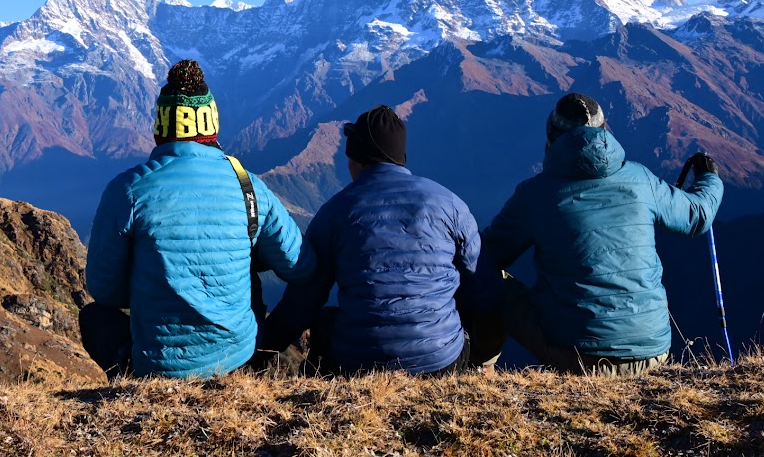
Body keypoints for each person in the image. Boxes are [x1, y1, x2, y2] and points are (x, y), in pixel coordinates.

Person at [82, 59, 314, 378]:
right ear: (211, 126)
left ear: (160, 128)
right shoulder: (247, 186)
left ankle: (127, 383)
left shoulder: (127, 191)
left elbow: (104, 290)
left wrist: (155, 287)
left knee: (95, 318)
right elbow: (301, 267)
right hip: (237, 356)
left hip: (157, 367)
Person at [472, 92, 723, 376]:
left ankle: (477, 371)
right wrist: (708, 177)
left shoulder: (535, 194)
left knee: (494, 283)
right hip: (653, 350)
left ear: (551, 138)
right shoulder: (642, 180)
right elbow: (698, 216)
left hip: (578, 356)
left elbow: (484, 257)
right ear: (605, 133)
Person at [261, 105, 482, 375]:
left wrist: (260, 350)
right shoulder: (450, 203)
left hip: (360, 363)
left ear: (357, 159)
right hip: (440, 361)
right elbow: (476, 272)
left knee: (327, 320)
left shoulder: (335, 211)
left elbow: (305, 299)